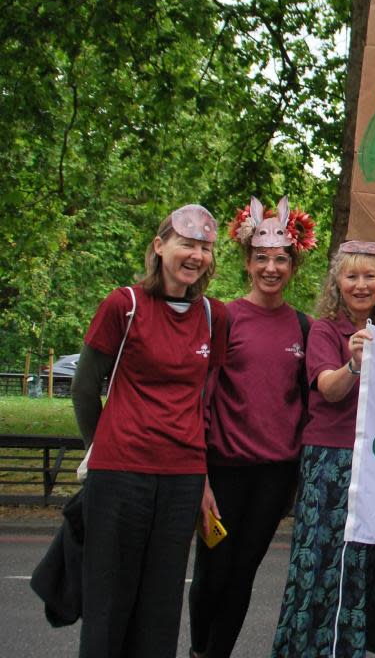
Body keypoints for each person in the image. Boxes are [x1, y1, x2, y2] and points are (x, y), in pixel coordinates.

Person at [70, 204, 228, 658]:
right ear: (160, 247)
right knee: (108, 604)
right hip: (120, 473)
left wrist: (201, 477)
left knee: (161, 604)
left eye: (204, 247)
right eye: (186, 244)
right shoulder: (124, 304)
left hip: (180, 479)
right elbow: (83, 389)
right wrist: (97, 451)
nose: (195, 255)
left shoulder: (215, 316)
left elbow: (201, 401)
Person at [188, 196, 316, 658]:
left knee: (243, 573)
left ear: (293, 266)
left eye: (281, 259)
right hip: (222, 470)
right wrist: (200, 474)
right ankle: (200, 648)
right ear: (247, 261)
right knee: (212, 571)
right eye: (262, 258)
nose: (271, 268)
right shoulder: (221, 317)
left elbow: (310, 402)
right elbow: (200, 396)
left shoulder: (305, 327)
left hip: (274, 475)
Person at [272, 241, 375, 658]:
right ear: (337, 283)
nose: (361, 285)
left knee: (366, 561)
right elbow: (328, 390)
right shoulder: (326, 330)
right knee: (324, 562)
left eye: (370, 276)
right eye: (352, 276)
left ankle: (351, 648)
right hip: (331, 458)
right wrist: (353, 364)